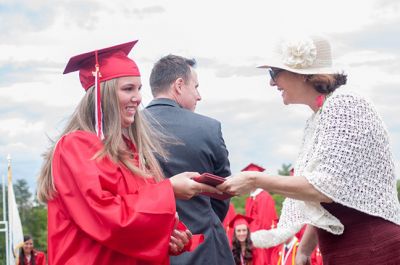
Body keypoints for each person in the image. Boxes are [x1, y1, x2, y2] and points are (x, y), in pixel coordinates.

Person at [218, 35, 400, 265]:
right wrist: (304, 250)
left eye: (274, 73)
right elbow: (332, 198)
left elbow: (326, 187)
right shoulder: (320, 116)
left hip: (372, 250)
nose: (272, 83)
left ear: (303, 74)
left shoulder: (345, 104)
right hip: (346, 250)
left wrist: (256, 179)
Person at [36, 41, 220, 265]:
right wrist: (168, 190)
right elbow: (106, 218)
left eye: (139, 89)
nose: (139, 98)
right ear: (103, 95)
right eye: (128, 89)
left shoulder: (131, 153)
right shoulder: (75, 147)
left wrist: (168, 236)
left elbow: (137, 215)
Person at [145, 54, 235, 265]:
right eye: (195, 87)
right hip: (202, 246)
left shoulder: (128, 128)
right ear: (179, 85)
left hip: (149, 248)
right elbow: (223, 190)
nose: (199, 96)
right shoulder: (208, 128)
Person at [243, 163, 278, 265]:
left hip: (260, 241)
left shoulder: (264, 197)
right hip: (251, 240)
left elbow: (264, 223)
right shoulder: (249, 199)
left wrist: (251, 237)